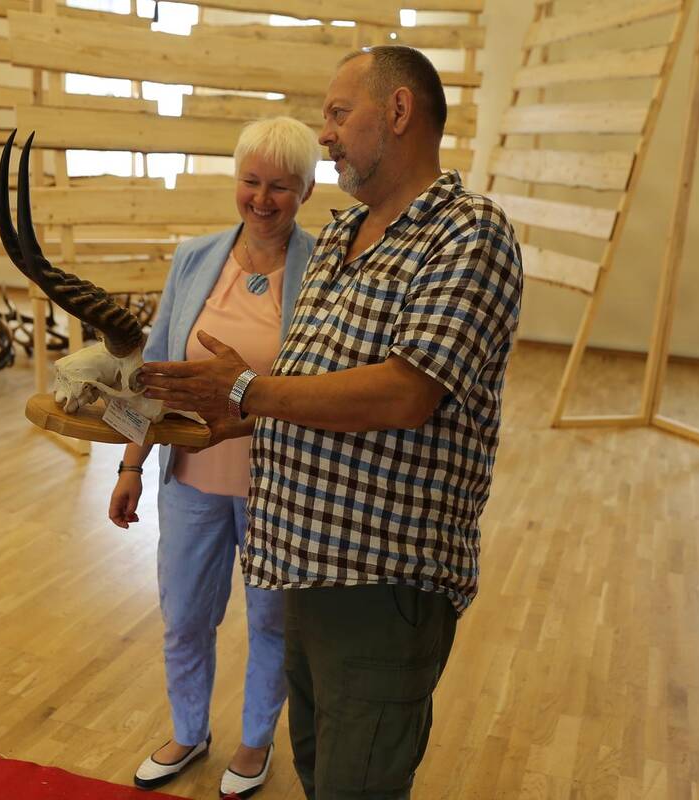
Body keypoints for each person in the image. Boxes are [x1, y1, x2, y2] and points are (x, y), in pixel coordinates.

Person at [139, 46, 523, 799]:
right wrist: (230, 416)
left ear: (399, 112)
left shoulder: (466, 232)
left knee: (358, 783)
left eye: (340, 113)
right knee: (322, 775)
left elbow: (406, 393)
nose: (326, 133)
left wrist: (245, 390)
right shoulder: (345, 236)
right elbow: (306, 388)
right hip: (303, 570)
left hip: (381, 578)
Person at [107, 116, 321, 797]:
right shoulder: (195, 258)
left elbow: (324, 388)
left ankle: (255, 742)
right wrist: (131, 465)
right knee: (185, 618)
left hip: (280, 488)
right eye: (251, 181)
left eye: (281, 186)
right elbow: (155, 370)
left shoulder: (326, 270)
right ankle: (188, 731)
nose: (262, 199)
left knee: (271, 624)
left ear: (307, 191)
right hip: (191, 481)